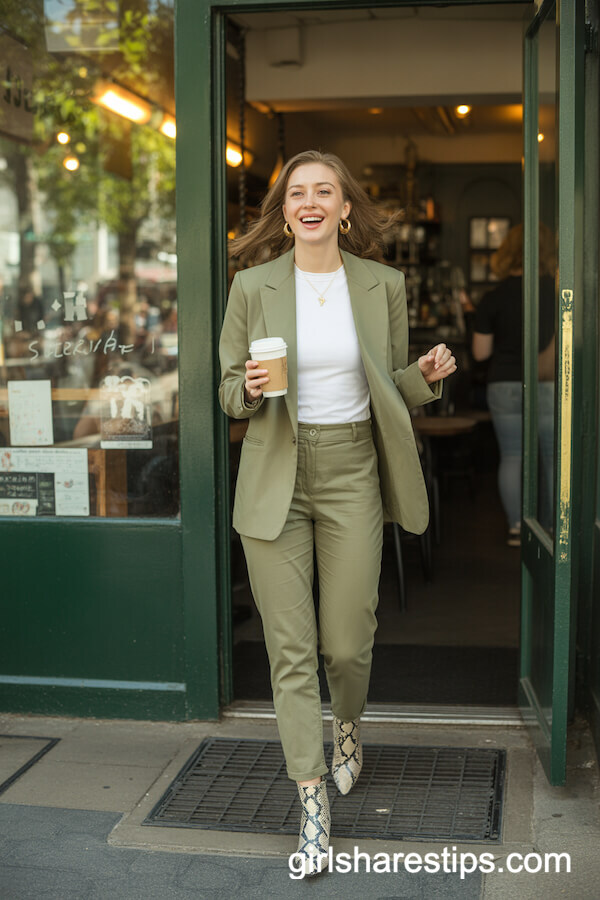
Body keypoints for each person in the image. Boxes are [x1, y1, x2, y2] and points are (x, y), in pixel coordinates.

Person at [218, 150, 456, 876]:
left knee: (347, 644)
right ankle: (312, 801)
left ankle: (348, 723)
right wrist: (248, 388)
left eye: (325, 191)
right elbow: (227, 392)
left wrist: (425, 378)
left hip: (353, 469)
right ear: (285, 211)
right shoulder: (252, 285)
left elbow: (388, 388)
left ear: (346, 209)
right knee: (289, 650)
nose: (311, 202)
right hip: (275, 475)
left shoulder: (384, 284)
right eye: (298, 193)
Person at [472, 224, 555, 544]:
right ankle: (551, 528)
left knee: (511, 456)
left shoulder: (493, 297)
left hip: (504, 383)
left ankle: (517, 527)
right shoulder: (557, 292)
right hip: (546, 382)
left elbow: (481, 353)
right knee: (551, 457)